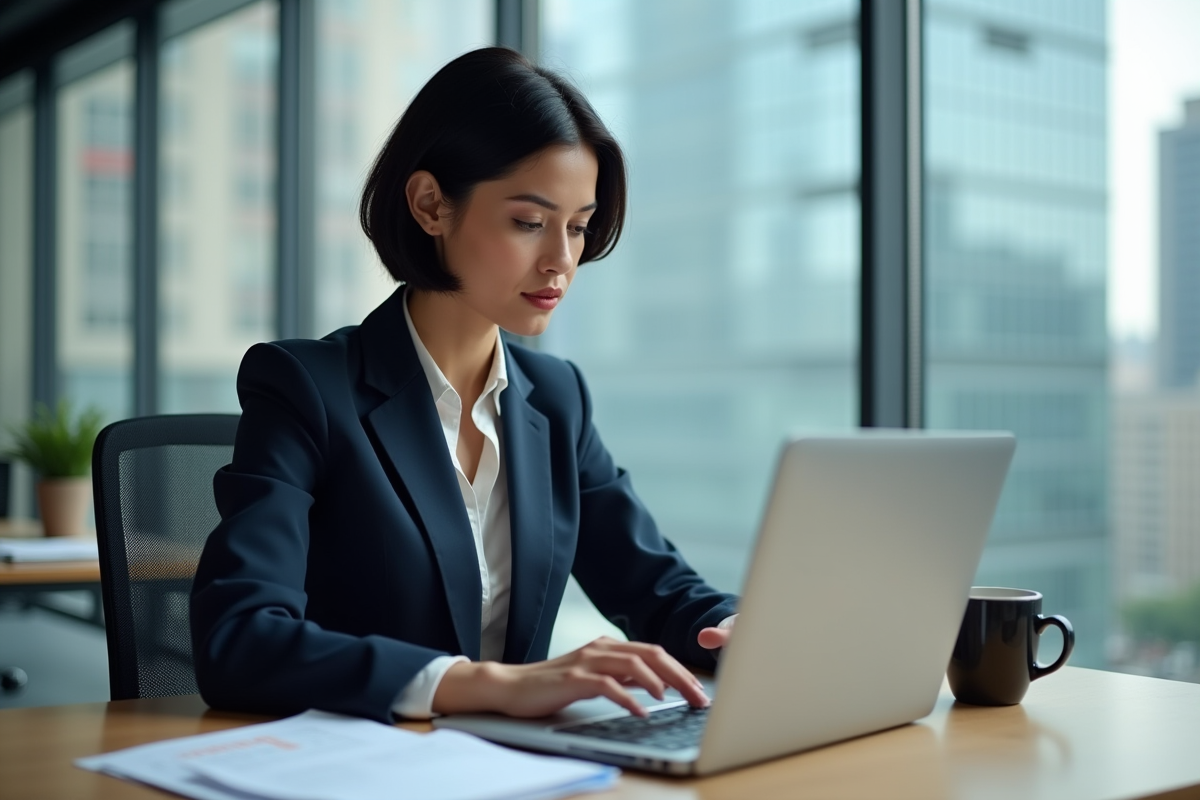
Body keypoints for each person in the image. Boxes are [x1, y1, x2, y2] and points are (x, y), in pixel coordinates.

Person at [189, 47, 738, 725]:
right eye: (529, 223)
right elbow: (239, 641)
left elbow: (657, 587)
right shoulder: (306, 388)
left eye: (579, 227)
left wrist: (732, 627)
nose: (562, 261)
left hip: (515, 768)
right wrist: (490, 685)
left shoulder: (555, 397)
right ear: (430, 205)